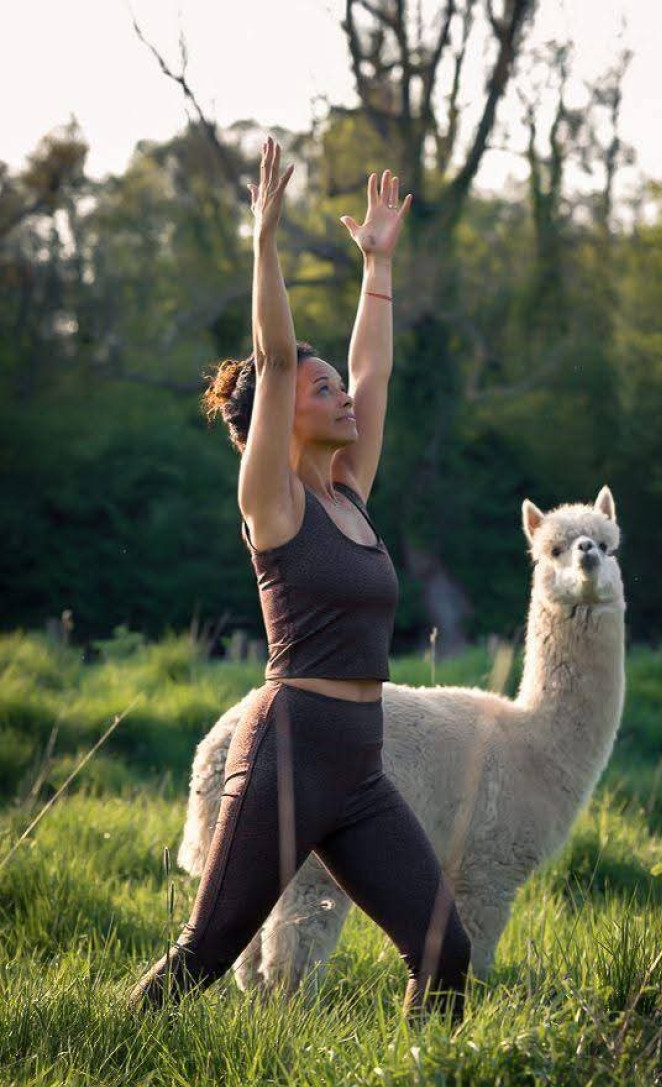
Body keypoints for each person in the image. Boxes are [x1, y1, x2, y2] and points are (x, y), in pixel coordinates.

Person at [127, 134, 471, 1025]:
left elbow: (375, 370)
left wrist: (378, 268)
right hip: (287, 754)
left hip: (359, 761)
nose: (341, 396)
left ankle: (431, 1085)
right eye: (323, 392)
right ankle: (106, 1045)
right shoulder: (272, 503)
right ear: (282, 418)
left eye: (333, 388)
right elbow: (276, 361)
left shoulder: (350, 492)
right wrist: (265, 242)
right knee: (204, 956)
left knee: (445, 948)